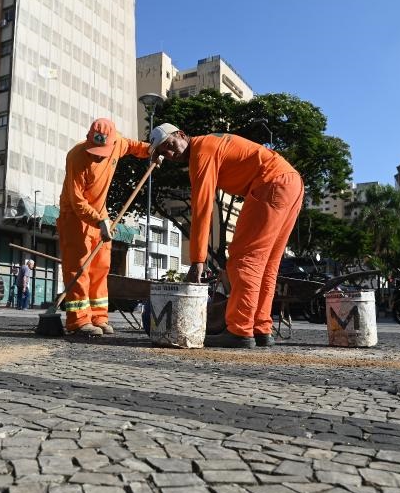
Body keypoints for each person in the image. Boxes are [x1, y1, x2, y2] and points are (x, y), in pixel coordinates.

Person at [150, 124, 304, 349]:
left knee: (244, 259)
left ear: (182, 134)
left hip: (271, 182)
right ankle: (260, 328)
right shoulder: (211, 143)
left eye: (171, 145)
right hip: (292, 183)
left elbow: (202, 208)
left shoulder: (201, 152)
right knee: (267, 264)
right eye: (164, 152)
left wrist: (197, 261)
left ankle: (240, 330)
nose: (170, 154)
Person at [58, 118, 150, 336]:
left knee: (100, 268)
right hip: (75, 218)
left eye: (102, 150)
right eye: (94, 149)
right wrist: (99, 221)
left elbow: (136, 147)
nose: (98, 155)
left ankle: (99, 317)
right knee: (79, 269)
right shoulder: (77, 157)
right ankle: (79, 321)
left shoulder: (118, 143)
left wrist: (154, 150)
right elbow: (77, 201)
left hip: (101, 216)